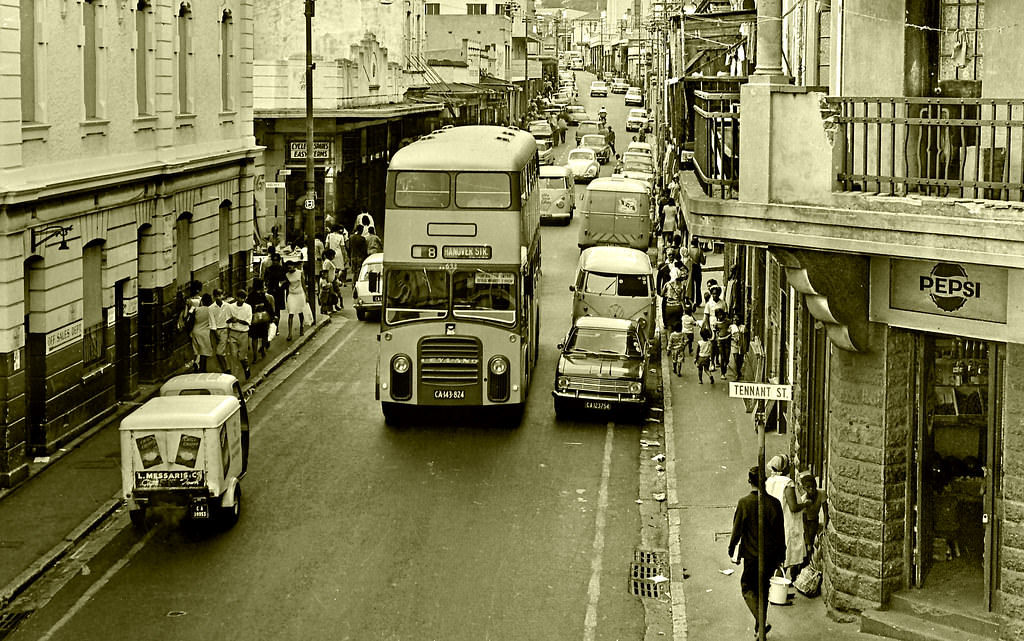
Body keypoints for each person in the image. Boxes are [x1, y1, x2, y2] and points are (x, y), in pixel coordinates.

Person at [728, 466, 786, 638]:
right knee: (763, 590)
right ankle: (759, 629)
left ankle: (761, 622)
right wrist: (781, 556)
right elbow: (780, 533)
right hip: (770, 556)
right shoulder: (774, 504)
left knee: (747, 588)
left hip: (752, 556)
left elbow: (737, 530)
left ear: (749, 481)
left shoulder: (744, 503)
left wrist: (732, 549)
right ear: (765, 481)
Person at [765, 454, 808, 581]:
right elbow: (793, 507)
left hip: (772, 520)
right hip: (786, 521)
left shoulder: (769, 481)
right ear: (784, 469)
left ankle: (774, 585)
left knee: (776, 556)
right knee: (785, 556)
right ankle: (777, 587)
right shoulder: (787, 483)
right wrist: (805, 504)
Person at [798, 471, 826, 569]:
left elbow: (825, 512)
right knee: (806, 549)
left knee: (812, 549)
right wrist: (808, 542)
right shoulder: (804, 500)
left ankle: (808, 566)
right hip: (805, 524)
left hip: (814, 521)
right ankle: (798, 572)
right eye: (808, 487)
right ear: (804, 488)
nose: (812, 489)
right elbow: (804, 523)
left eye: (813, 486)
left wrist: (825, 528)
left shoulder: (821, 494)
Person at [246, 278, 276, 361]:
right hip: (260, 320)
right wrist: (272, 316)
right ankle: (259, 352)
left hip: (257, 320)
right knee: (261, 337)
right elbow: (267, 306)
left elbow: (267, 306)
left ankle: (258, 352)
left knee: (258, 337)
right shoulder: (257, 295)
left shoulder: (255, 295)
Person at [226, 288, 253, 379]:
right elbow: (227, 320)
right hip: (233, 333)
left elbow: (248, 322)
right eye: (240, 298)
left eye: (244, 298)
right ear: (236, 297)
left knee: (242, 356)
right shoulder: (231, 307)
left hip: (243, 333)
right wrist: (231, 320)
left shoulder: (248, 307)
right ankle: (234, 378)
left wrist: (237, 320)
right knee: (233, 356)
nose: (242, 300)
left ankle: (246, 367)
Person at [208, 288, 232, 373]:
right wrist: (215, 333)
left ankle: (227, 368)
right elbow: (212, 321)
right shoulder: (211, 308)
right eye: (216, 296)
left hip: (224, 330)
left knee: (220, 351)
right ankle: (223, 368)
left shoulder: (228, 306)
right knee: (218, 352)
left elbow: (229, 319)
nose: (219, 298)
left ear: (223, 295)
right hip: (215, 331)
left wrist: (229, 332)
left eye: (220, 295)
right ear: (214, 297)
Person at [190, 292, 214, 373]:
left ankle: (196, 363)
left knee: (196, 351)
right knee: (204, 352)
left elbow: (191, 320)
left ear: (202, 301)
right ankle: (203, 369)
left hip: (195, 331)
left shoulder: (196, 310)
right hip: (205, 333)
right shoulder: (211, 310)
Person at [284, 261, 307, 341]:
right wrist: (287, 298)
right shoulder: (287, 275)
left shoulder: (300, 273)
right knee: (291, 313)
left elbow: (304, 285)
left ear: (293, 266)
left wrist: (306, 296)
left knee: (301, 312)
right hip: (291, 294)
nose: (289, 269)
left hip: (300, 294)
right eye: (288, 268)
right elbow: (287, 287)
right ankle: (290, 333)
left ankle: (301, 326)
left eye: (290, 267)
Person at [263, 252, 287, 321]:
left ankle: (276, 326)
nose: (275, 262)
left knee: (277, 310)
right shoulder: (268, 269)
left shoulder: (282, 269)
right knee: (270, 308)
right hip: (271, 291)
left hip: (279, 292)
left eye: (276, 260)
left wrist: (282, 284)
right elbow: (265, 279)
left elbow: (285, 280)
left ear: (279, 261)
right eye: (274, 260)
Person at [729, 315, 747, 380]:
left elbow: (745, 337)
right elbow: (728, 335)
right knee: (736, 358)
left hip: (741, 345)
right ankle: (736, 374)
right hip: (734, 344)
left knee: (740, 359)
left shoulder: (743, 327)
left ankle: (738, 372)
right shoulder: (731, 327)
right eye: (734, 318)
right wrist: (733, 338)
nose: (735, 320)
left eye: (737, 318)